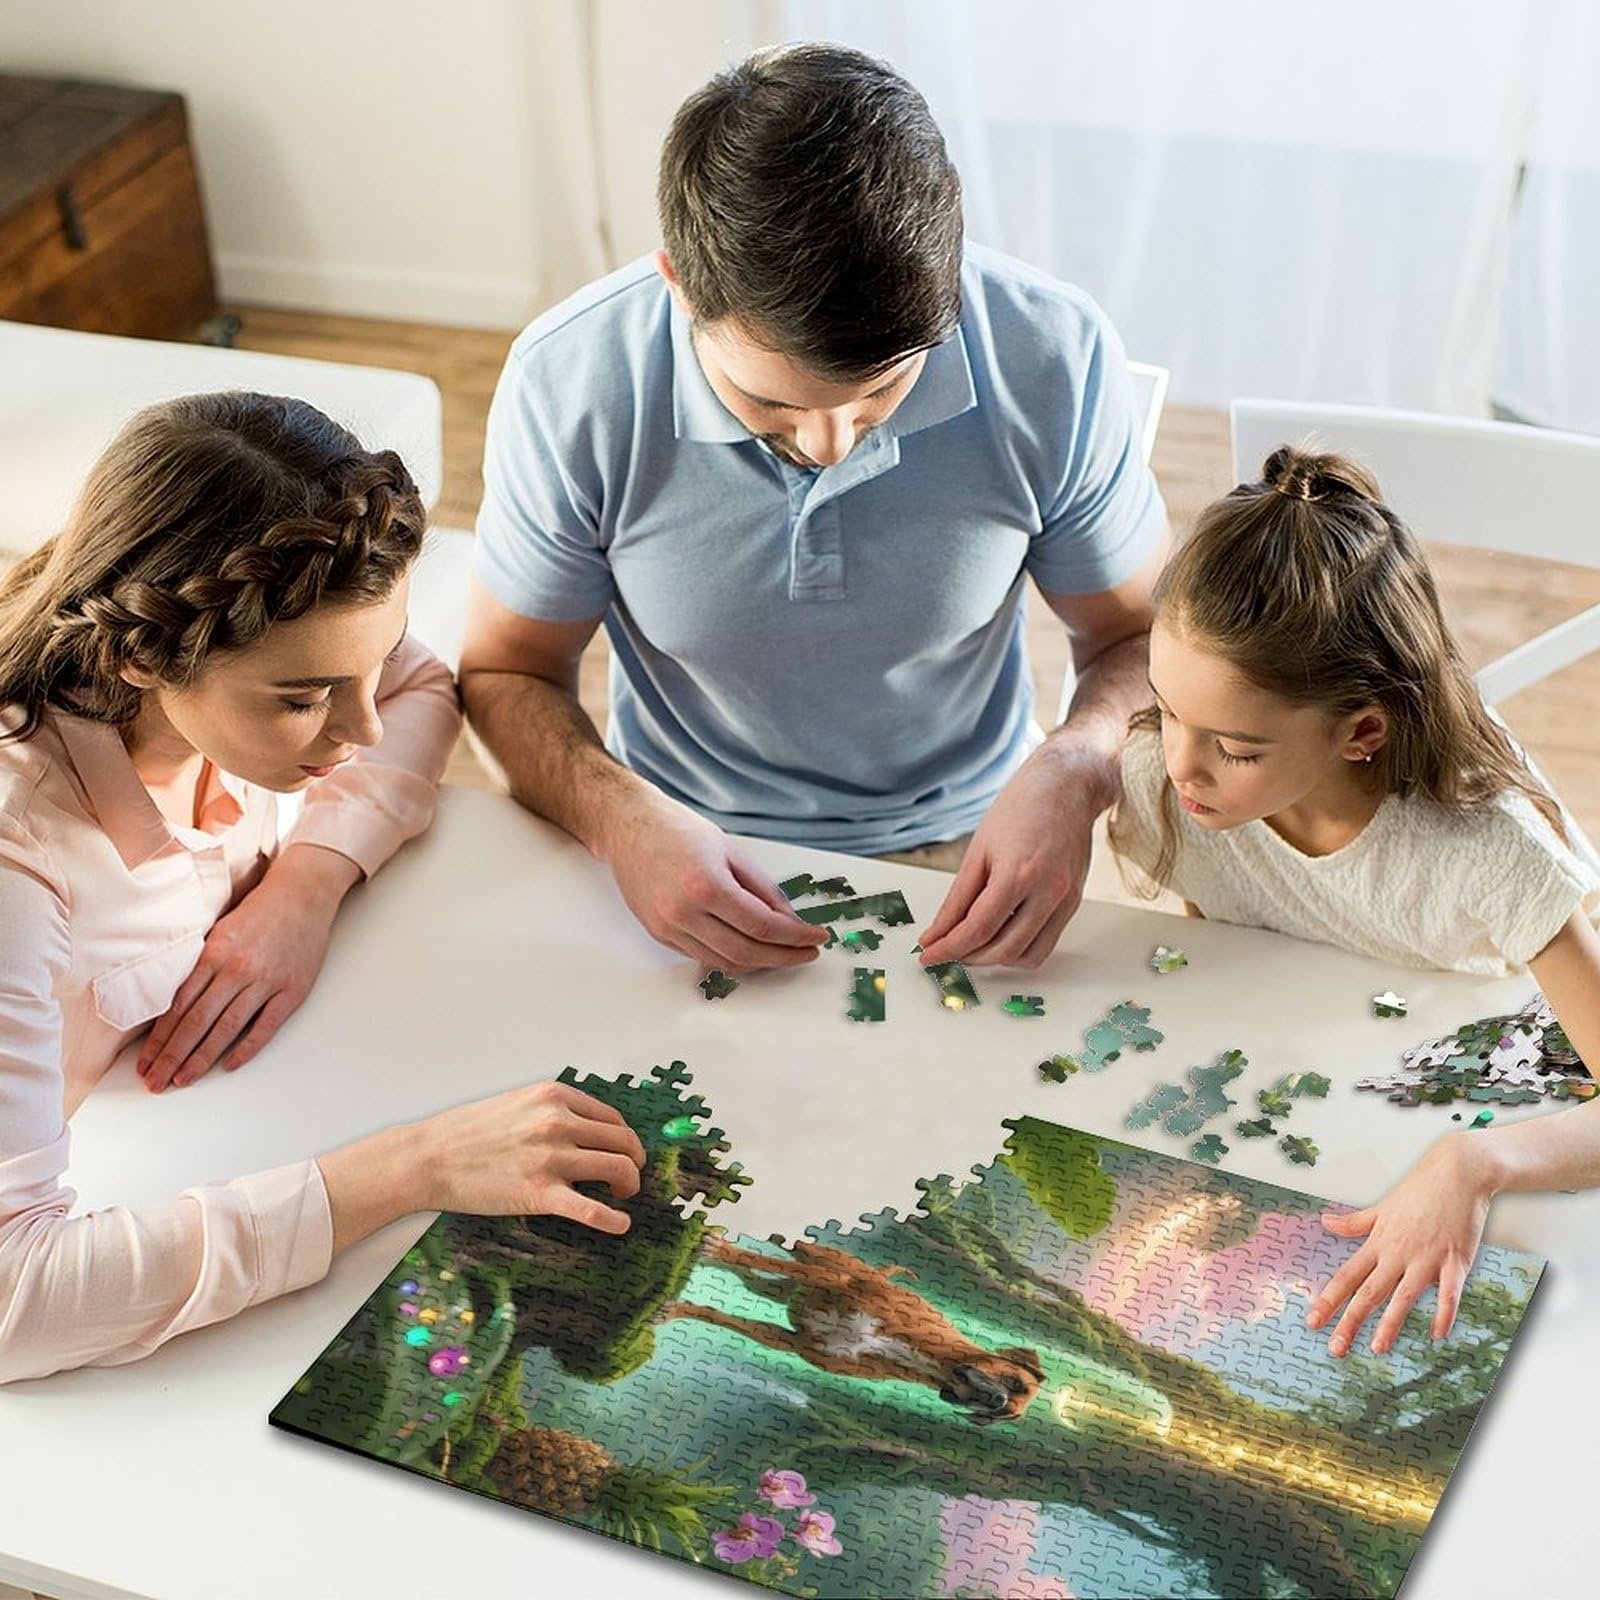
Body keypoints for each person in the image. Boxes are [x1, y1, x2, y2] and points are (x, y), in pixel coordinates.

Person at [461, 43, 1169, 975]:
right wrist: (616, 816)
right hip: (670, 840)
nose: (833, 445)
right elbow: (507, 674)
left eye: (882, 395)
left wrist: (1076, 771)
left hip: (978, 835)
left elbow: (1143, 642)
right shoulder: (570, 383)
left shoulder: (1051, 354)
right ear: (679, 284)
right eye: (775, 406)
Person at [0, 394, 645, 1384]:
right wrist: (412, 1167)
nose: (363, 733)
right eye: (300, 701)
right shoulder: (20, 861)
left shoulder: (243, 636)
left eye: (367, 665)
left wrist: (304, 885)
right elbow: (17, 1302)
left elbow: (421, 689)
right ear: (140, 655)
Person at [1109, 444, 1600, 1358]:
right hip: (1336, 1086)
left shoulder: (1491, 849)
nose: (1181, 765)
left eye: (1236, 748)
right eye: (1166, 707)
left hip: (1519, 1095)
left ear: (1363, 731)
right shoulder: (1165, 783)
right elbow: (1226, 962)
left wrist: (1474, 1163)